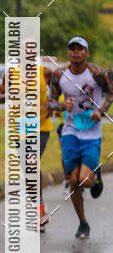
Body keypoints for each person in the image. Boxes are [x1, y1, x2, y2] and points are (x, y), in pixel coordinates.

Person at [49, 36, 113, 239]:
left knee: (84, 180)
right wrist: (61, 105)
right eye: (72, 49)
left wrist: (101, 111)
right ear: (68, 53)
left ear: (87, 52)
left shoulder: (97, 73)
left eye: (80, 49)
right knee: (73, 180)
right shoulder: (59, 74)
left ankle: (95, 176)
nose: (76, 52)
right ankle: (83, 223)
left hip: (91, 133)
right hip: (69, 132)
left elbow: (111, 92)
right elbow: (50, 101)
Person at [0, 58, 53, 232]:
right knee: (29, 170)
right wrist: (7, 95)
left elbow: (57, 89)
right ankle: (39, 209)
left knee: (31, 163)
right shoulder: (11, 74)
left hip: (41, 127)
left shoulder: (45, 72)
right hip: (20, 129)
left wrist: (51, 104)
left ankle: (40, 211)